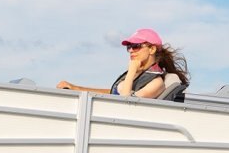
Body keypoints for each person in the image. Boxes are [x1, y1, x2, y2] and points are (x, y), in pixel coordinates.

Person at [57, 28, 189, 100]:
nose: (131, 50)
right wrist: (75, 88)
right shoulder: (140, 74)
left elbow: (125, 103)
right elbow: (113, 93)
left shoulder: (157, 82)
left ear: (152, 49)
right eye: (129, 47)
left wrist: (131, 71)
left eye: (136, 46)